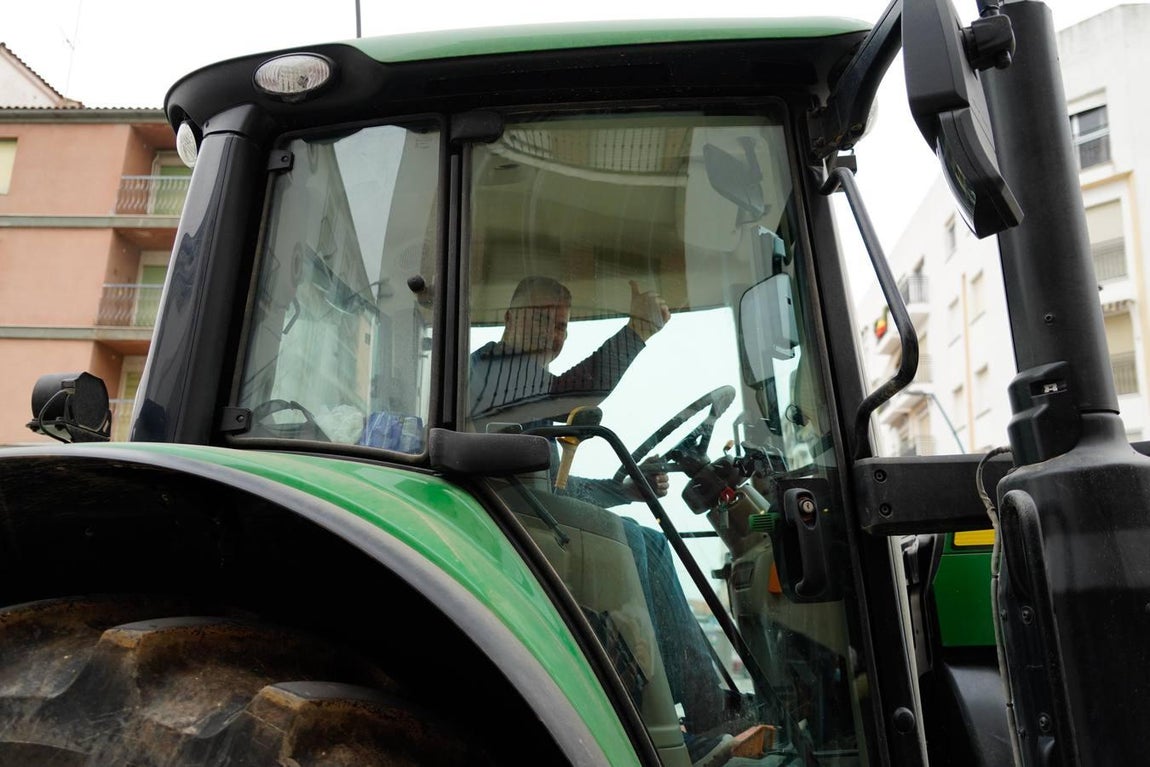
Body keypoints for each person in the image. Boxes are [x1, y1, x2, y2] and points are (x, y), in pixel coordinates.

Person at [469, 275, 672, 503]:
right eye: (540, 320)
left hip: (514, 511)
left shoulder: (532, 400)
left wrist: (624, 490)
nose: (549, 334)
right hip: (490, 511)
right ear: (510, 319)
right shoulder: (486, 368)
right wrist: (637, 330)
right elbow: (574, 395)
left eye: (559, 327)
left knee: (630, 527)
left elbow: (554, 491)